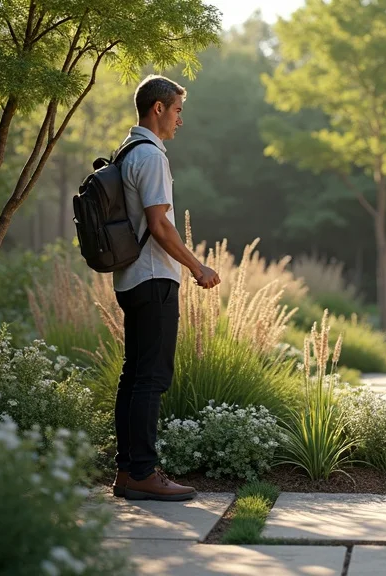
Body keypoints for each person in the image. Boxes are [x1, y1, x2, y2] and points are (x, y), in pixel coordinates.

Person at [110, 74, 220, 501]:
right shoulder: (152, 156)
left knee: (133, 377)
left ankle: (127, 472)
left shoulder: (126, 150)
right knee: (151, 378)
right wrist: (197, 266)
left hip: (129, 278)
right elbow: (159, 225)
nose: (180, 120)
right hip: (154, 278)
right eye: (177, 110)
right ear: (158, 108)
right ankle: (142, 472)